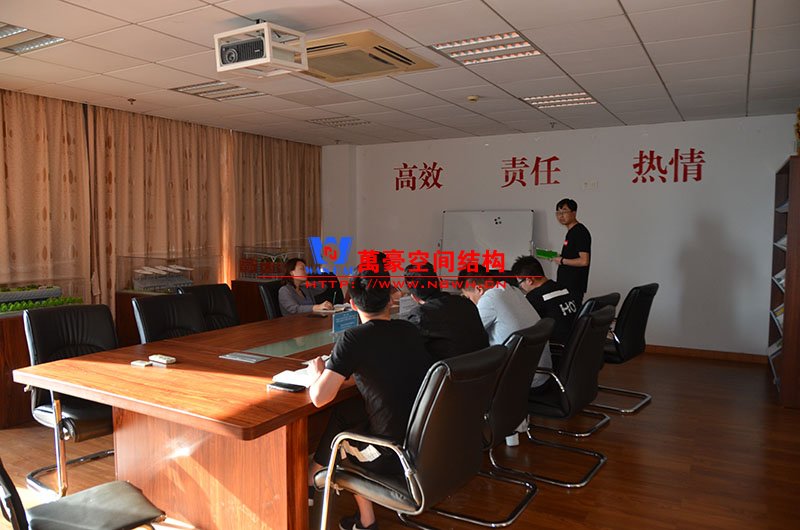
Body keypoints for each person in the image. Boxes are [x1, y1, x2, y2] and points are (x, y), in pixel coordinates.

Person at [307, 270, 433, 530]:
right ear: (390, 299)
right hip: (423, 440)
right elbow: (385, 370)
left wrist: (317, 375)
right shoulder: (409, 330)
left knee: (339, 441)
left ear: (352, 304)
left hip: (391, 453)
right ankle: (364, 521)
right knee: (346, 411)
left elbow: (319, 398)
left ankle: (313, 479)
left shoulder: (354, 338)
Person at [401, 262, 488, 360]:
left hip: (454, 369)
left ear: (414, 297)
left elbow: (407, 351)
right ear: (439, 283)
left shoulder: (420, 315)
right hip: (485, 365)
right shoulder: (466, 303)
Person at [511, 255, 578, 346]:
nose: (521, 287)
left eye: (520, 283)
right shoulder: (563, 288)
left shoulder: (534, 297)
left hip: (555, 347)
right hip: (574, 343)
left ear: (529, 280)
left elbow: (522, 325)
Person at [552, 198, 591, 305]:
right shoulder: (571, 232)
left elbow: (584, 261)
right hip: (566, 284)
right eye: (558, 213)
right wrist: (560, 257)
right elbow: (573, 255)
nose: (561, 216)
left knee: (571, 313)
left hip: (573, 285)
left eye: (564, 212)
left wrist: (562, 260)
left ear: (574, 213)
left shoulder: (579, 232)